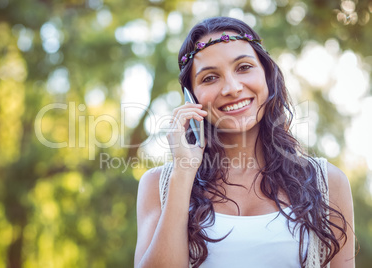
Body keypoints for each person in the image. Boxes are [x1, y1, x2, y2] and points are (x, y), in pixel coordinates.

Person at [134, 17, 355, 268]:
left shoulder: (327, 182)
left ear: (267, 76)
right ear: (190, 98)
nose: (232, 87)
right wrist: (183, 173)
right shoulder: (158, 185)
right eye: (209, 78)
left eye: (243, 67)